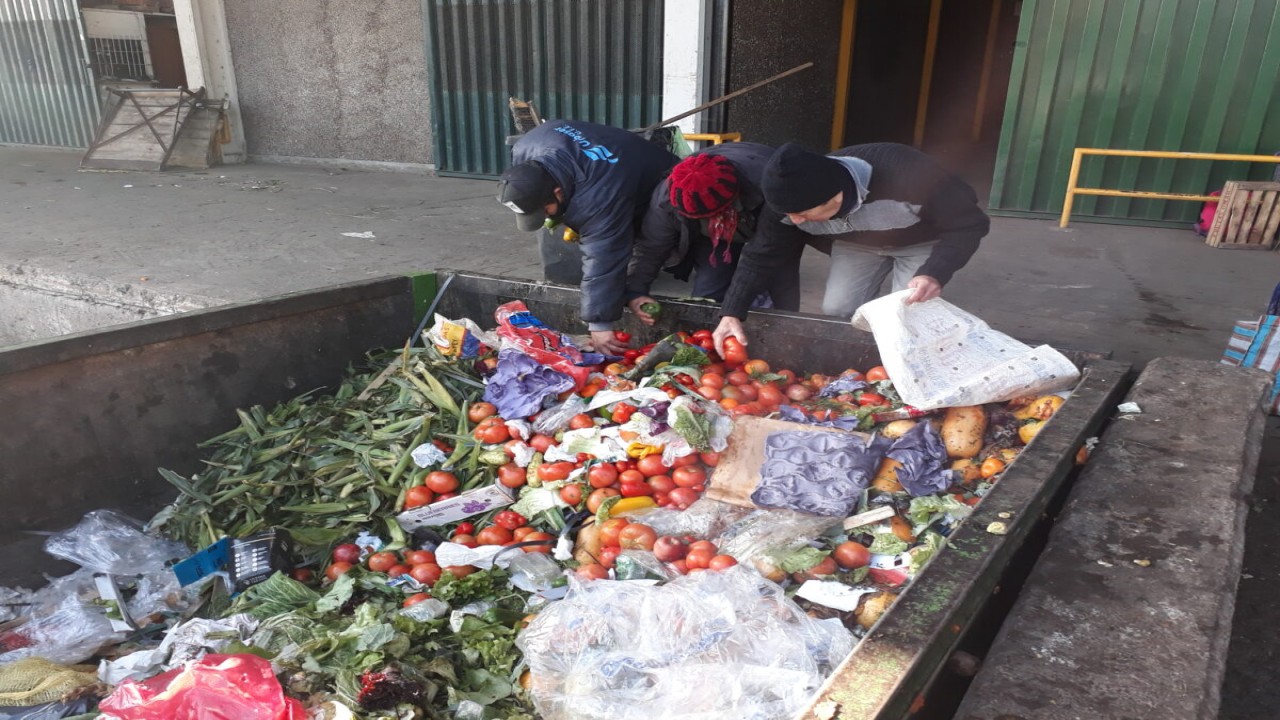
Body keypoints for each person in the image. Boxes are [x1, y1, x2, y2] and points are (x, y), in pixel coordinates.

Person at [713, 141, 989, 354]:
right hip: (857, 243)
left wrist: (934, 272)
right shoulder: (788, 204)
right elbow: (761, 254)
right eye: (789, 214)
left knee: (908, 317)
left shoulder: (910, 174)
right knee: (837, 307)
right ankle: (856, 360)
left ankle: (905, 365)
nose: (795, 221)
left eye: (803, 214)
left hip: (920, 241)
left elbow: (969, 224)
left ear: (836, 197)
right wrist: (732, 312)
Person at [497, 119, 677, 355]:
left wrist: (599, 324)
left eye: (545, 209)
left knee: (645, 240)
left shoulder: (597, 195)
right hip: (619, 161)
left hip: (663, 181)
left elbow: (605, 253)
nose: (546, 216)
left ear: (557, 192)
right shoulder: (525, 148)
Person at [625, 142, 824, 323]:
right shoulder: (665, 201)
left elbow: (765, 254)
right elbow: (651, 248)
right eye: (704, 218)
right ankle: (711, 335)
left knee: (779, 281)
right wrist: (636, 291)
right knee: (708, 292)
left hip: (763, 210)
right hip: (714, 238)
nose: (713, 221)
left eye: (715, 215)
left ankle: (783, 329)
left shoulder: (771, 184)